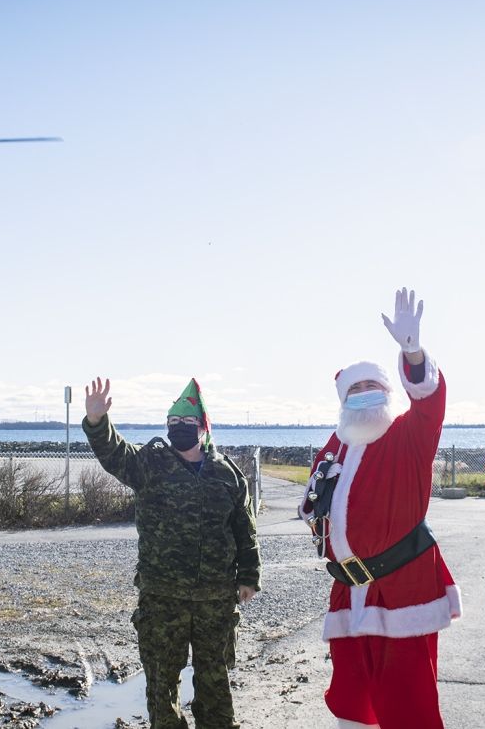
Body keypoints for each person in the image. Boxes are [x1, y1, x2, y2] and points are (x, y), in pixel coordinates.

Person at [298, 288, 461, 729]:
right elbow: (315, 506)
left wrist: (413, 353)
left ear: (388, 392)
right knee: (352, 701)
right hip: (349, 596)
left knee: (408, 704)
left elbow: (430, 402)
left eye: (372, 386)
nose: (364, 394)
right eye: (355, 389)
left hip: (402, 590)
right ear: (342, 400)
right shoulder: (336, 445)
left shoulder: (408, 436)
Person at [82, 376, 261, 729]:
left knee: (214, 681)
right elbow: (114, 454)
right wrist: (97, 422)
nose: (179, 428)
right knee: (162, 684)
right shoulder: (151, 465)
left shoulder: (227, 474)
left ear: (202, 428)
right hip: (163, 597)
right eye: (173, 423)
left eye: (187, 423)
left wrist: (249, 577)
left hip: (215, 599)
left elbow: (245, 528)